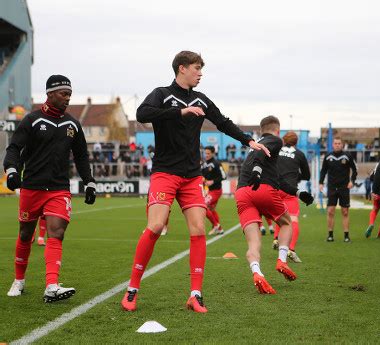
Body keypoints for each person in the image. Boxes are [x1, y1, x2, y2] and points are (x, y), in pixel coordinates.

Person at [120, 51, 269, 313]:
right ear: (182, 68)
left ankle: (195, 295)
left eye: (201, 69)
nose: (200, 73)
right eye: (197, 68)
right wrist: (180, 112)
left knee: (199, 230)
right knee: (155, 226)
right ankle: (132, 289)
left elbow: (223, 122)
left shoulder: (202, 99)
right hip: (165, 173)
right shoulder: (162, 93)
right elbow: (143, 114)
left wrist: (249, 141)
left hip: (191, 176)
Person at [3, 75, 96, 302]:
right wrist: (12, 171)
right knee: (26, 235)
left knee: (57, 232)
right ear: (50, 93)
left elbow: (82, 156)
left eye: (70, 95)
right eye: (64, 94)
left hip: (58, 189)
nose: (67, 99)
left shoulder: (72, 124)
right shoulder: (32, 120)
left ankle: (52, 285)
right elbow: (14, 148)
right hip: (31, 187)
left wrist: (89, 182)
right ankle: (19, 279)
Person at [235, 116, 314, 294]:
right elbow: (260, 157)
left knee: (253, 244)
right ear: (278, 130)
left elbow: (277, 178)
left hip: (242, 194)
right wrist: (256, 171)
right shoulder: (275, 141)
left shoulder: (255, 145)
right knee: (287, 223)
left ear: (261, 129)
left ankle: (257, 273)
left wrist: (298, 192)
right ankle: (282, 261)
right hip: (261, 189)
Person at [272, 131, 311, 263]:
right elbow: (306, 175)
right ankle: (291, 249)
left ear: (283, 140)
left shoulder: (276, 150)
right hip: (290, 190)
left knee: (279, 216)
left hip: (275, 188)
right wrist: (295, 176)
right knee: (292, 219)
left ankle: (276, 238)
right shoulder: (299, 154)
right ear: (296, 142)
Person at [319, 137, 357, 242]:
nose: (337, 145)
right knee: (330, 211)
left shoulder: (347, 156)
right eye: (335, 143)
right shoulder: (328, 156)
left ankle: (346, 236)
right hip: (331, 188)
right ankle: (330, 235)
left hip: (344, 188)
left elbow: (354, 170)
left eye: (339, 143)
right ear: (332, 145)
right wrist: (321, 182)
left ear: (342, 145)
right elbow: (323, 171)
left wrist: (352, 181)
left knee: (345, 212)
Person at [202, 146, 226, 235]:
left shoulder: (217, 163)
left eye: (208, 153)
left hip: (216, 191)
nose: (206, 155)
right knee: (211, 209)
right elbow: (201, 175)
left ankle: (216, 225)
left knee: (203, 206)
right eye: (205, 153)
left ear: (213, 153)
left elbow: (224, 176)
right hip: (209, 191)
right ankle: (219, 229)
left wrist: (213, 181)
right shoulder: (204, 164)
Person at [364, 162, 380, 239]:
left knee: (374, 210)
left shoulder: (378, 165)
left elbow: (371, 177)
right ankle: (379, 234)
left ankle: (371, 223)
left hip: (377, 194)